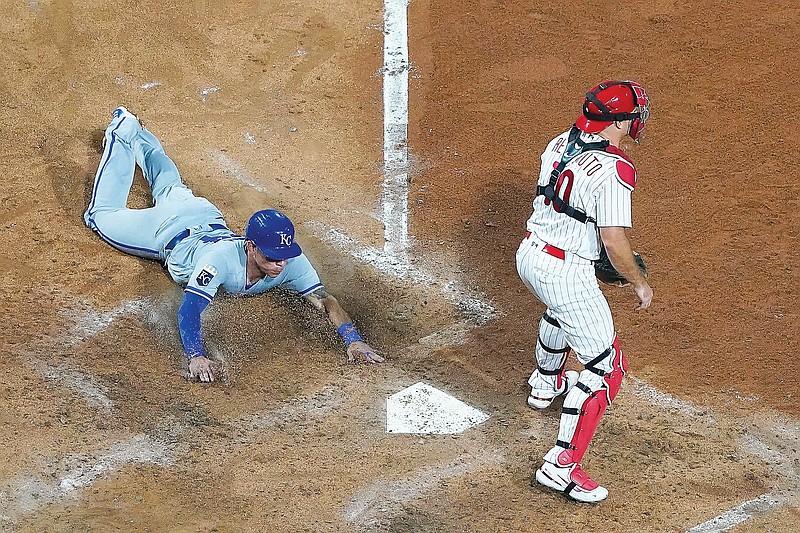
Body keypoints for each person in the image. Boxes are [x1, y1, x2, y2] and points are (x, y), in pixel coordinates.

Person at [85, 107, 384, 383]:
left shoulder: (290, 259)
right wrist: (196, 357)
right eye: (272, 257)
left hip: (202, 213)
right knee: (101, 216)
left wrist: (353, 339)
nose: (280, 264)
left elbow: (325, 300)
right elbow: (189, 310)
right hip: (165, 230)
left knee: (170, 186)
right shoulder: (219, 262)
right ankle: (121, 132)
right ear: (251, 247)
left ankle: (138, 133)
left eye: (284, 256)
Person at [515, 81, 653, 503]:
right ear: (620, 121)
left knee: (562, 312)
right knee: (605, 368)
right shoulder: (615, 169)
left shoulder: (560, 141)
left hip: (530, 254)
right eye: (635, 114)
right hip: (565, 269)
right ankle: (562, 466)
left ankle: (546, 383)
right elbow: (613, 242)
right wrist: (638, 281)